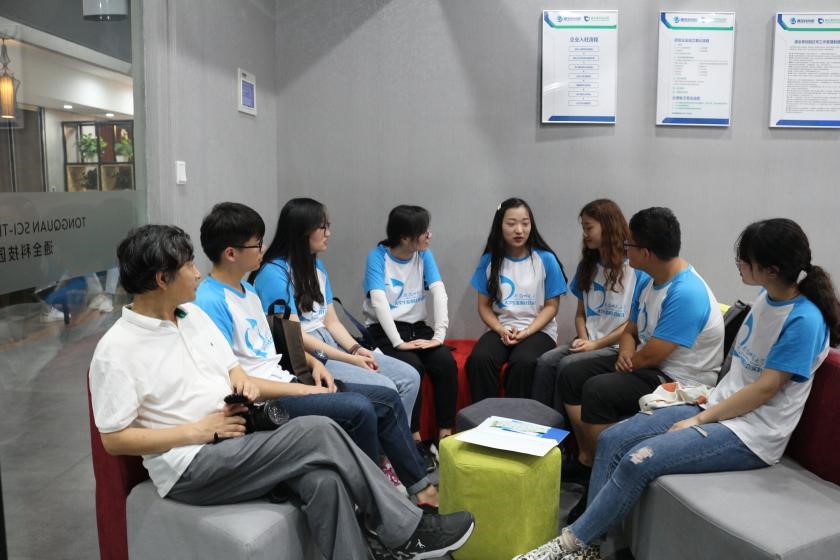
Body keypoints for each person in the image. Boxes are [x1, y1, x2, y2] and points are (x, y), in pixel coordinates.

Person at [89, 224, 474, 560]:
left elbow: (233, 368)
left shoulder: (193, 319)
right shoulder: (117, 349)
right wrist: (199, 431)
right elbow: (114, 439)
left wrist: (240, 382)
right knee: (318, 430)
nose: (196, 272)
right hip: (191, 466)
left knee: (325, 482)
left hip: (237, 438)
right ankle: (406, 530)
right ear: (162, 279)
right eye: (188, 266)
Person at [514, 217, 839, 560]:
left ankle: (569, 545)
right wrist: (703, 406)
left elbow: (763, 391)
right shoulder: (767, 296)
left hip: (752, 433)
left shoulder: (804, 320)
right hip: (718, 405)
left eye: (745, 260)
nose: (739, 266)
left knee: (638, 460)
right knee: (612, 439)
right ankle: (590, 545)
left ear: (771, 270)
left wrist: (699, 419)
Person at [193, 202, 439, 506]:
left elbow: (278, 342)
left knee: (388, 397)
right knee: (363, 406)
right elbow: (235, 379)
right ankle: (375, 502)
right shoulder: (211, 301)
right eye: (257, 244)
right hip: (267, 402)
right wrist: (305, 387)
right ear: (231, 253)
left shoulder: (248, 291)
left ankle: (419, 491)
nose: (263, 249)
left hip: (290, 377)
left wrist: (316, 363)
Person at [557, 207, 724, 520]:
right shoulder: (650, 280)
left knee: (597, 390)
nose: (624, 249)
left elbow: (654, 356)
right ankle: (588, 459)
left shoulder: (686, 292)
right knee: (570, 371)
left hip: (678, 380)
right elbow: (631, 330)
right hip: (647, 364)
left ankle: (602, 485)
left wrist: (630, 358)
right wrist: (625, 352)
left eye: (629, 244)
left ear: (645, 253)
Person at [251, 198, 421, 428]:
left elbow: (331, 321)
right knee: (386, 388)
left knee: (410, 377)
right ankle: (380, 448)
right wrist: (350, 359)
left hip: (332, 344)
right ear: (302, 231)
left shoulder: (316, 266)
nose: (328, 233)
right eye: (323, 227)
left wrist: (356, 349)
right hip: (308, 355)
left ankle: (395, 445)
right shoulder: (274, 273)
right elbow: (294, 336)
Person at [363, 205, 459, 467]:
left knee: (445, 362)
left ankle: (445, 436)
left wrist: (439, 336)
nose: (429, 235)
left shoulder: (423, 254)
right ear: (405, 237)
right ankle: (414, 440)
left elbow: (439, 292)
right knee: (412, 367)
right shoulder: (377, 257)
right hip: (385, 330)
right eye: (423, 231)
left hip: (418, 328)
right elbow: (379, 302)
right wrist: (398, 343)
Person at [531, 199, 650, 410]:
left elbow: (632, 324)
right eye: (583, 229)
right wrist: (584, 339)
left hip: (615, 347)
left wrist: (595, 345)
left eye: (589, 228)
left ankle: (562, 427)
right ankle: (539, 420)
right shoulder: (587, 266)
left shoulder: (636, 270)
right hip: (588, 342)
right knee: (546, 361)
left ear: (608, 226)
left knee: (567, 365)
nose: (585, 234)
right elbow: (580, 314)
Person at [466, 197, 568, 402]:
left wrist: (527, 331)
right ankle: (485, 416)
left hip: (538, 330)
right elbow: (484, 306)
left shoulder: (546, 259)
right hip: (501, 328)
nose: (519, 230)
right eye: (511, 224)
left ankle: (515, 419)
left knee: (524, 362)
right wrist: (500, 330)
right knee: (479, 359)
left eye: (525, 223)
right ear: (500, 225)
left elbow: (552, 307)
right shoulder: (489, 260)